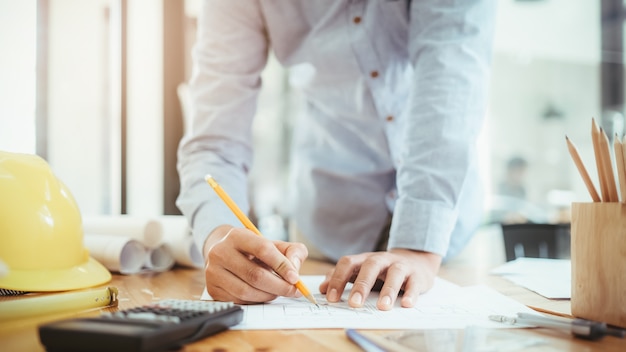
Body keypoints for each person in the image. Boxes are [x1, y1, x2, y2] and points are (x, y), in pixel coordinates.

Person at [177, 1, 496, 311]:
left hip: (442, 237)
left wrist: (418, 248)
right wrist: (217, 233)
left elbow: (451, 78)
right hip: (327, 232)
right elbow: (214, 143)